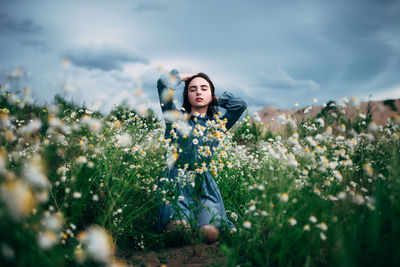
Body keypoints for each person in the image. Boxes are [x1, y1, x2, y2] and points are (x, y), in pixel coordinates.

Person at [156, 68, 247, 244]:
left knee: (210, 234)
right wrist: (185, 78)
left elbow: (240, 105)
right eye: (193, 89)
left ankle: (197, 222)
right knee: (179, 230)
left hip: (204, 185)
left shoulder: (218, 126)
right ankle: (182, 223)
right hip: (177, 183)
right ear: (186, 95)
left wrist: (215, 99)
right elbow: (162, 83)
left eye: (204, 88)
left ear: (211, 95)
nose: (198, 92)